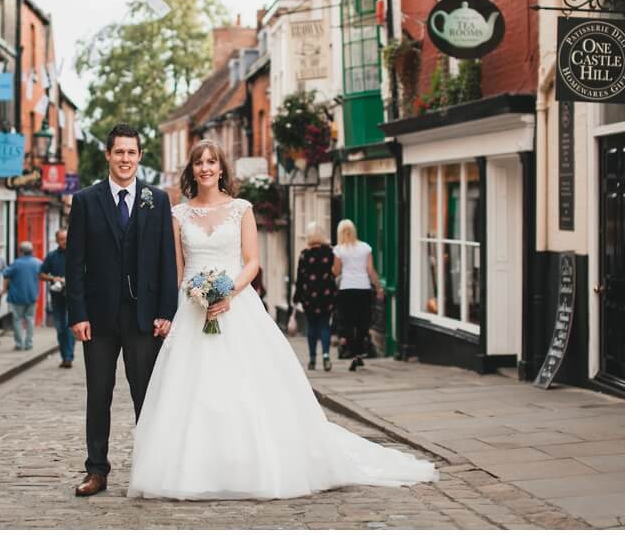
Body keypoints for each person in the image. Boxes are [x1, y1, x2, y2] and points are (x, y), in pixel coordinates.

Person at [128, 140, 436, 500]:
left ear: (222, 168)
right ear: (192, 170)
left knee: (246, 388)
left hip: (236, 303)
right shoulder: (178, 215)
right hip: (191, 307)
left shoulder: (240, 209)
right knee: (190, 391)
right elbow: (178, 269)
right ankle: (192, 469)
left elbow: (252, 261)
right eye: (199, 163)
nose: (206, 168)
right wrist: (185, 302)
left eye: (212, 161)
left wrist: (227, 293)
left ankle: (250, 465)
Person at [66, 123, 177, 497]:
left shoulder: (157, 199)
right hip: (97, 318)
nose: (125, 159)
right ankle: (96, 470)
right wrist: (77, 314)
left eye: (132, 152)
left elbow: (166, 260)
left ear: (140, 156)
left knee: (145, 394)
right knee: (98, 394)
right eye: (119, 152)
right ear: (108, 155)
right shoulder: (85, 200)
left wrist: (167, 312)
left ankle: (150, 468)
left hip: (143, 316)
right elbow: (74, 262)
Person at [333, 219, 385, 372]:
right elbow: (370, 270)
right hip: (363, 287)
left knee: (348, 322)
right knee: (363, 321)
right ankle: (359, 354)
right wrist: (379, 288)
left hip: (347, 288)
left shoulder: (339, 250)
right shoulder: (365, 247)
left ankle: (354, 353)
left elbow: (336, 272)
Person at [293, 221, 337, 372]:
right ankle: (326, 356)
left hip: (309, 295)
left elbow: (300, 278)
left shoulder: (305, 254)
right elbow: (335, 272)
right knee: (325, 325)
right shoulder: (330, 252)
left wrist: (296, 298)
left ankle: (312, 359)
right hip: (326, 294)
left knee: (312, 327)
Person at [40, 229, 74, 368]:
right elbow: (41, 274)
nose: (65, 241)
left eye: (66, 238)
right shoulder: (52, 256)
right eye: (61, 239)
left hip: (72, 296)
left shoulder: (76, 254)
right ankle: (64, 354)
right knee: (60, 328)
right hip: (57, 296)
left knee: (69, 326)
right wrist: (54, 278)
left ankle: (68, 357)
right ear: (57, 241)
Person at [2, 242, 43, 351]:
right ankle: (29, 343)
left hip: (17, 297)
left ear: (20, 251)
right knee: (30, 320)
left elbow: (5, 274)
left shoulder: (16, 263)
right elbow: (43, 275)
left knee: (17, 320)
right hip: (32, 295)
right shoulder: (38, 263)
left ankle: (19, 344)